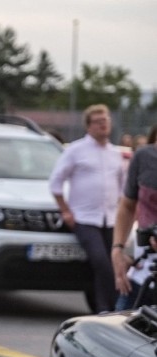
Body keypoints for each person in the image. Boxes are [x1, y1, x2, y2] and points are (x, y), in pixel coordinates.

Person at [49, 104, 125, 313]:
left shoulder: (115, 153)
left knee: (111, 262)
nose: (103, 125)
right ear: (89, 126)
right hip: (84, 217)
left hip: (109, 218)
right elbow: (56, 182)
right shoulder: (75, 150)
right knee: (101, 262)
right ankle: (106, 307)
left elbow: (121, 186)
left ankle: (106, 308)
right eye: (98, 122)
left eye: (106, 121)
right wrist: (65, 210)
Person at [112, 124, 157, 309]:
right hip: (142, 272)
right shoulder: (144, 156)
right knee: (117, 331)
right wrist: (118, 249)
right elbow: (127, 206)